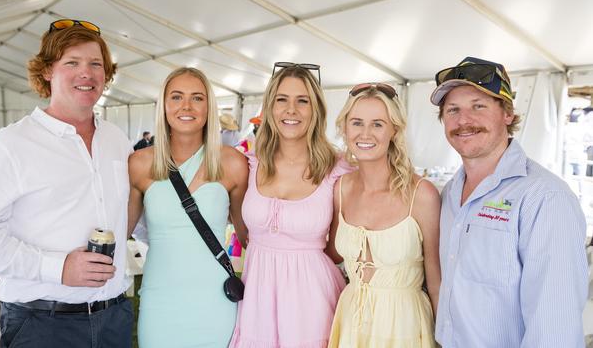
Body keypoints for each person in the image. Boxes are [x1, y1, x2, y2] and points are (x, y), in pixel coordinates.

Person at [0, 19, 133, 348]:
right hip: (42, 324)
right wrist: (56, 267)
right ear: (47, 71)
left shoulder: (118, 140)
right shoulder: (8, 146)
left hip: (113, 318)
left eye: (96, 64)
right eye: (72, 63)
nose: (87, 73)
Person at [431, 57, 587, 347]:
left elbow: (555, 326)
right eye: (453, 109)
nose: (464, 120)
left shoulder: (545, 198)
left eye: (479, 106)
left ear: (507, 113)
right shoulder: (450, 192)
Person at [230, 63, 350, 347]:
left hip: (313, 302)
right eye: (281, 99)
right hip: (257, 300)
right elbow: (241, 225)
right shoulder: (250, 161)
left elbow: (339, 244)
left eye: (302, 101)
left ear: (316, 109)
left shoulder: (337, 168)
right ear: (269, 107)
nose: (291, 110)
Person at [128, 67, 248, 347]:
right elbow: (119, 230)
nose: (186, 106)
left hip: (215, 299)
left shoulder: (233, 163)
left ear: (209, 106)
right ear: (164, 105)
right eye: (177, 97)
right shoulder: (139, 163)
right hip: (160, 300)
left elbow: (250, 237)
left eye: (197, 98)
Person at [326, 83, 441, 347]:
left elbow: (435, 281)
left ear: (394, 130)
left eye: (378, 124)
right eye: (356, 123)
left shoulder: (421, 195)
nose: (365, 133)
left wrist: (443, 339)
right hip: (351, 321)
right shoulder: (340, 189)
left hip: (405, 326)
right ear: (344, 128)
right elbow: (331, 253)